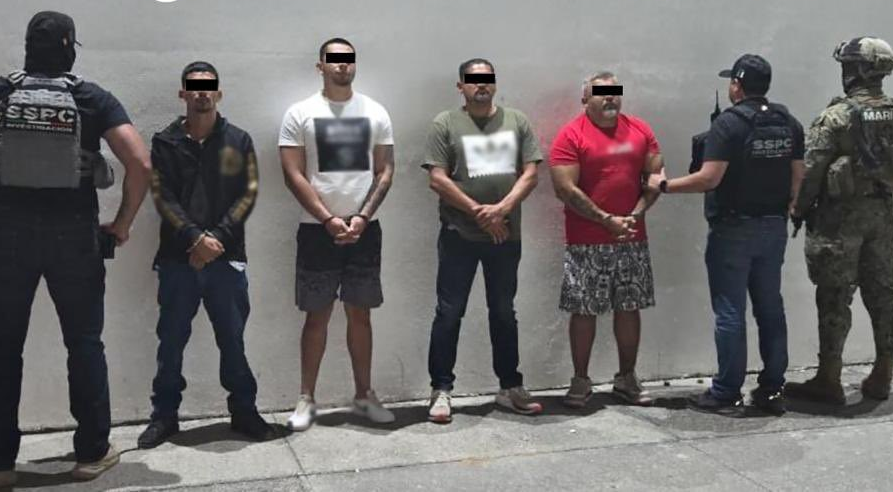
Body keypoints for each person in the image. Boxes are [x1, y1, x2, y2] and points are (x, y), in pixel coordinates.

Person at [0, 11, 151, 486]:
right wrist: (123, 223)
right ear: (70, 47)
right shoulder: (91, 98)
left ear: (28, 46)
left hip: (6, 237)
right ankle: (91, 454)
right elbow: (140, 163)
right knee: (84, 343)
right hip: (74, 236)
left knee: (3, 348)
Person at [647, 54, 805, 415]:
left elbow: (709, 179)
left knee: (730, 311)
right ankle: (772, 388)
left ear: (737, 85)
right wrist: (786, 210)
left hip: (733, 229)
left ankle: (726, 391)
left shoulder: (729, 124)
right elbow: (798, 175)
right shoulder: (788, 122)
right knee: (770, 307)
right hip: (773, 227)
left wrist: (664, 185)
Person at [137, 62, 276, 448]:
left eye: (208, 86)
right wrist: (195, 239)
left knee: (232, 340)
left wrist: (215, 240)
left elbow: (247, 194)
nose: (202, 92)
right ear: (182, 93)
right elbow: (162, 196)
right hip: (177, 259)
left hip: (226, 260)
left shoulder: (238, 140)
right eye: (194, 87)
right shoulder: (165, 142)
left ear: (219, 92)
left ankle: (244, 412)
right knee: (170, 342)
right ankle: (164, 417)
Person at [784, 37, 893, 405]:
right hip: (884, 215)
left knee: (833, 296)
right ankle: (883, 373)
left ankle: (829, 378)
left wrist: (798, 209)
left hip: (840, 221)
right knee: (882, 295)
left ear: (859, 70)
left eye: (848, 65)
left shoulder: (837, 116)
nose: (844, 71)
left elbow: (811, 170)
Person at [278, 37, 396, 431]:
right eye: (334, 59)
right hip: (317, 232)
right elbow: (292, 173)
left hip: (365, 231)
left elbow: (385, 170)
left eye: (348, 59)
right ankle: (306, 399)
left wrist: (362, 216)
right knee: (317, 316)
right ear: (321, 66)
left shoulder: (375, 112)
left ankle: (364, 395)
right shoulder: (300, 113)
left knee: (360, 314)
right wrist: (328, 219)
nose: (342, 65)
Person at [421, 58, 545, 423]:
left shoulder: (516, 121)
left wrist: (501, 210)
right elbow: (437, 179)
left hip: (505, 236)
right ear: (460, 86)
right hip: (458, 235)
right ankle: (441, 390)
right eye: (473, 80)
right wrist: (480, 213)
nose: (481, 85)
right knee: (449, 313)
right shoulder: (445, 123)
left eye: (487, 79)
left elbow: (531, 173)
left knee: (504, 312)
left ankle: (510, 387)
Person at [547, 71, 662, 409]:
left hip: (631, 237)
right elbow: (564, 188)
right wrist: (605, 220)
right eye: (601, 92)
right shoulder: (571, 135)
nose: (610, 97)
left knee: (629, 307)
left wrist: (635, 215)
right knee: (584, 310)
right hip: (586, 241)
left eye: (615, 92)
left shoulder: (640, 130)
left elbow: (655, 176)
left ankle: (626, 378)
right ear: (585, 98)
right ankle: (581, 381)